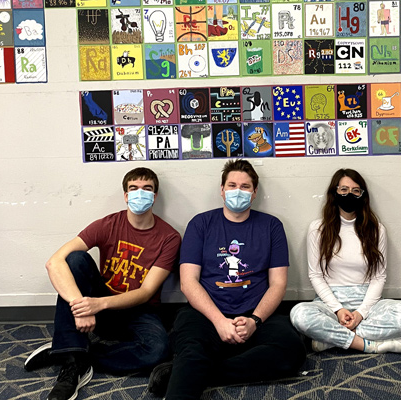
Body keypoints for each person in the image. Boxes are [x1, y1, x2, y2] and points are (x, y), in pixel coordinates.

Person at [149, 159, 306, 399]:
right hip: (207, 314)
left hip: (257, 315)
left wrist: (254, 321)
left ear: (254, 193)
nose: (238, 191)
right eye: (232, 185)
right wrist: (220, 321)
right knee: (190, 351)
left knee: (291, 351)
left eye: (245, 186)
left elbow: (278, 284)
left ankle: (198, 372)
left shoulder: (271, 226)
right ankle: (197, 367)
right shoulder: (200, 224)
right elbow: (188, 282)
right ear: (221, 190)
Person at [23, 167, 181, 400]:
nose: (140, 194)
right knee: (75, 260)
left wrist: (98, 305)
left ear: (155, 196)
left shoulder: (169, 237)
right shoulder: (107, 225)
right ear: (126, 196)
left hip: (139, 311)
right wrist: (82, 305)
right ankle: (70, 363)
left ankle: (72, 352)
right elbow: (54, 263)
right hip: (99, 306)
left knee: (158, 351)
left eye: (147, 189)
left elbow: (146, 292)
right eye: (133, 188)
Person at [290, 169, 401, 354]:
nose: (349, 194)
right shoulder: (317, 228)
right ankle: (368, 345)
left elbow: (379, 277)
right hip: (329, 303)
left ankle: (331, 339)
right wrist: (338, 310)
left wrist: (361, 313)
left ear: (362, 195)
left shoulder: (377, 230)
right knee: (299, 315)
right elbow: (315, 275)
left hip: (367, 302)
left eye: (355, 190)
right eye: (343, 189)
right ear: (334, 193)